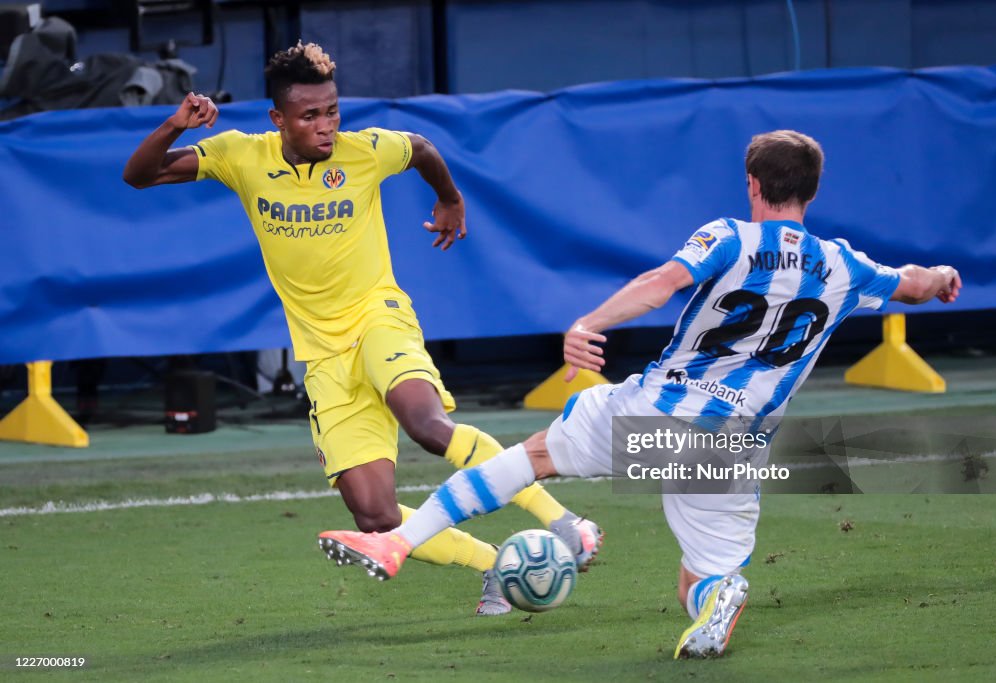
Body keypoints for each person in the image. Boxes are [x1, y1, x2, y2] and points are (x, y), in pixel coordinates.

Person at [316, 130, 962, 656]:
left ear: (754, 186)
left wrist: (588, 323)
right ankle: (717, 596)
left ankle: (397, 541)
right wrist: (941, 275)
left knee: (531, 456)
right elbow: (909, 282)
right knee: (698, 579)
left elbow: (662, 282)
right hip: (736, 447)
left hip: (661, 410)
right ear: (812, 191)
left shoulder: (730, 237)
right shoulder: (842, 265)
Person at [122, 41, 602, 616]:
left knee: (427, 425)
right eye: (309, 116)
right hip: (323, 356)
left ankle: (565, 521)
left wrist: (449, 199)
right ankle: (496, 564)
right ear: (278, 119)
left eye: (332, 112)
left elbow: (423, 148)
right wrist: (175, 124)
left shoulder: (365, 150)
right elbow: (139, 176)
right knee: (374, 515)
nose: (326, 127)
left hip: (380, 318)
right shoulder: (240, 156)